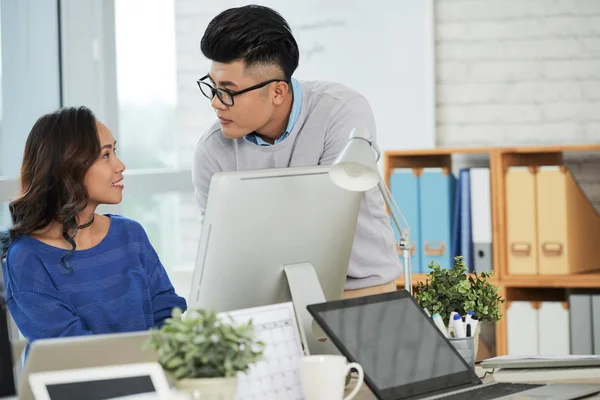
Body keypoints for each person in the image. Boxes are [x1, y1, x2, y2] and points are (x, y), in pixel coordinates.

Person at [192, 5, 402, 298]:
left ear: (277, 91)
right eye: (212, 87)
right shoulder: (212, 149)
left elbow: (326, 230)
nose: (215, 102)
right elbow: (219, 251)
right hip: (265, 300)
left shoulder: (340, 111)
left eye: (227, 91)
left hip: (359, 291)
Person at [0, 106, 187, 344]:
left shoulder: (131, 234)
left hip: (149, 375)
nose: (120, 166)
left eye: (114, 152)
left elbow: (168, 315)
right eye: (106, 155)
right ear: (68, 166)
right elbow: (74, 351)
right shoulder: (27, 259)